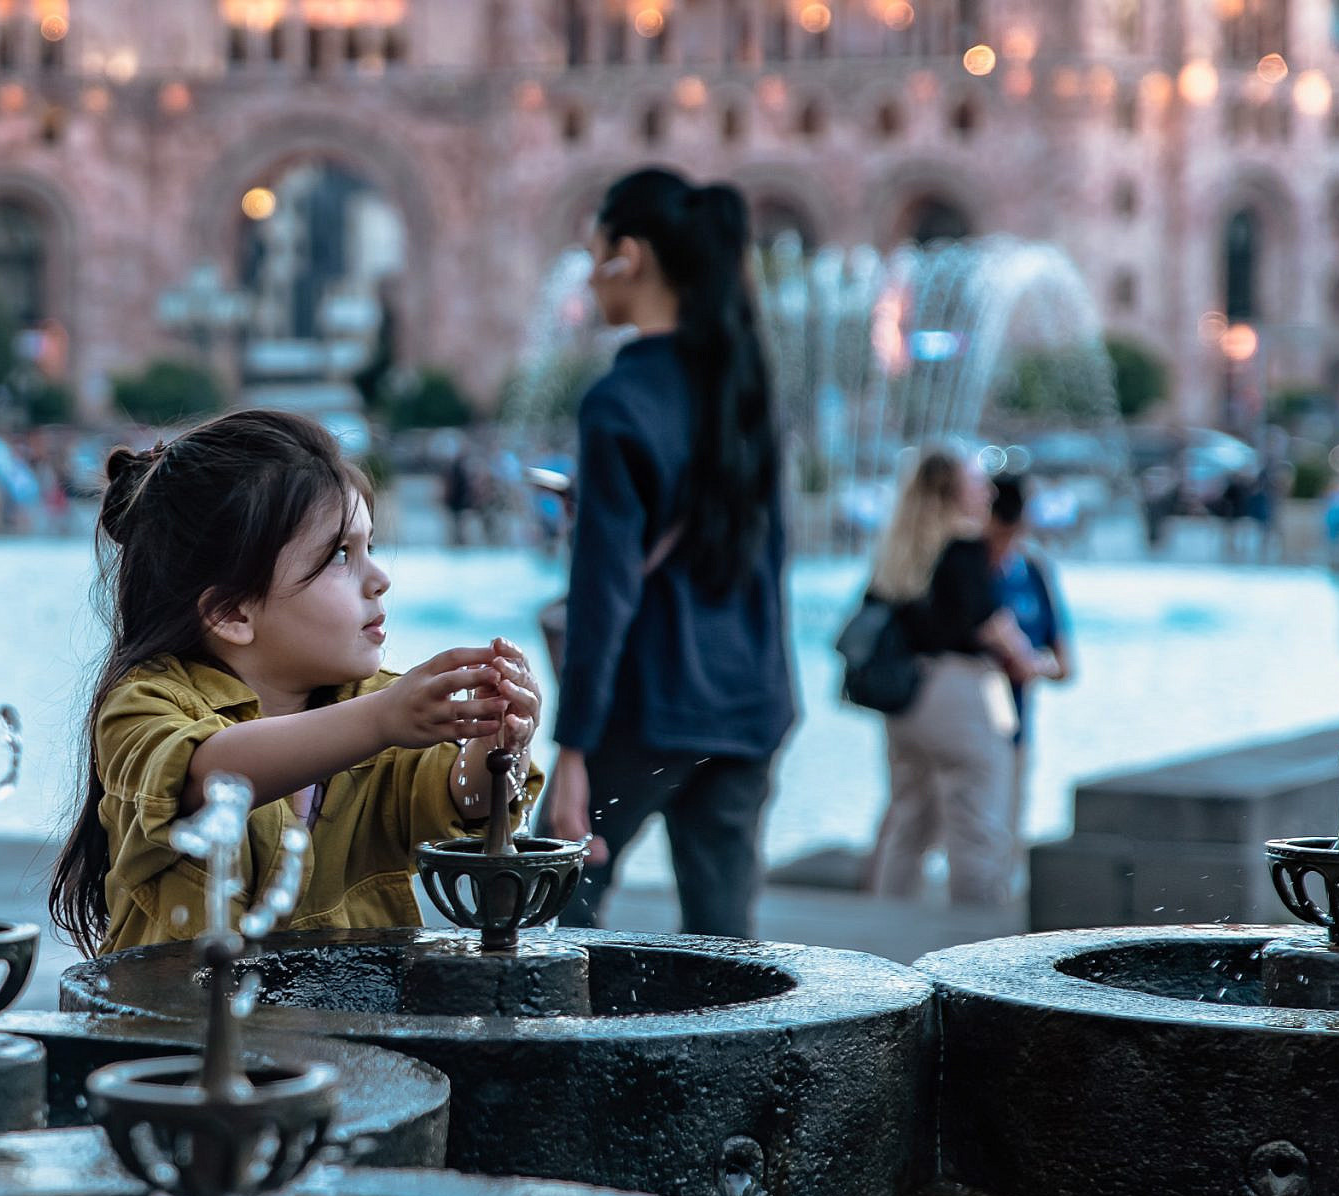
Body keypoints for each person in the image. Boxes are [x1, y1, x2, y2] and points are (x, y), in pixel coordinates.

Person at [47, 409, 542, 956]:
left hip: (343, 1033)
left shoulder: (374, 707)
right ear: (233, 612)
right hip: (181, 1031)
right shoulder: (143, 703)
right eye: (339, 556)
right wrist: (381, 721)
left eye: (369, 547)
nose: (380, 578)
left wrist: (498, 746)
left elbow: (461, 799)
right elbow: (205, 774)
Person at [539, 168, 794, 940]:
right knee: (728, 953)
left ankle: (562, 1064)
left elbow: (605, 589)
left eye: (594, 252)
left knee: (557, 915)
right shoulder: (747, 388)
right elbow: (772, 566)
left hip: (647, 706)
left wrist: (573, 748)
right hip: (750, 702)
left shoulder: (619, 402)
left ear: (631, 256)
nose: (587, 274)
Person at [864, 448, 1048, 904]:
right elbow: (986, 621)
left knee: (908, 822)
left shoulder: (898, 550)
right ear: (953, 491)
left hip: (908, 699)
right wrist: (1028, 660)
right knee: (978, 824)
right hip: (963, 691)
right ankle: (978, 944)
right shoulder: (964, 546)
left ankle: (884, 928)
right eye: (975, 482)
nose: (986, 491)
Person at [986, 474, 1073, 881]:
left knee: (1007, 815)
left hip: (1011, 713)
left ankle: (997, 896)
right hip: (970, 708)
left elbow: (1065, 665)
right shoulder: (968, 565)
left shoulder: (1034, 571)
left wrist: (1028, 663)